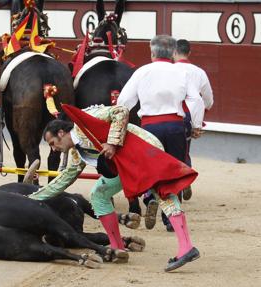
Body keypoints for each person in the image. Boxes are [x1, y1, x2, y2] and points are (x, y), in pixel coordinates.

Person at [29, 104, 200, 272]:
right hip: (122, 163)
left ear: (61, 133)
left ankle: (187, 248)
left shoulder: (88, 118)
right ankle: (117, 247)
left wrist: (111, 143)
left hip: (143, 148)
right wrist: (31, 199)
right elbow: (64, 180)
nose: (53, 149)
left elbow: (120, 111)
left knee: (162, 193)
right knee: (98, 194)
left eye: (52, 143)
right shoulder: (76, 153)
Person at [117, 35, 205, 232]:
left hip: (150, 127)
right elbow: (196, 100)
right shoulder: (182, 73)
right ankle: (171, 219)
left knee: (150, 168)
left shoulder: (142, 71)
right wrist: (196, 125)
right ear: (173, 53)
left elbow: (123, 101)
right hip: (175, 126)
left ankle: (149, 198)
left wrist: (121, 125)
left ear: (152, 52)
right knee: (174, 172)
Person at [174, 39, 214, 200]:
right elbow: (208, 99)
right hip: (189, 119)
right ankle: (185, 176)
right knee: (184, 150)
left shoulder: (168, 70)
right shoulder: (199, 72)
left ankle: (172, 185)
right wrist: (199, 119)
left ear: (173, 52)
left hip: (167, 115)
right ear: (189, 53)